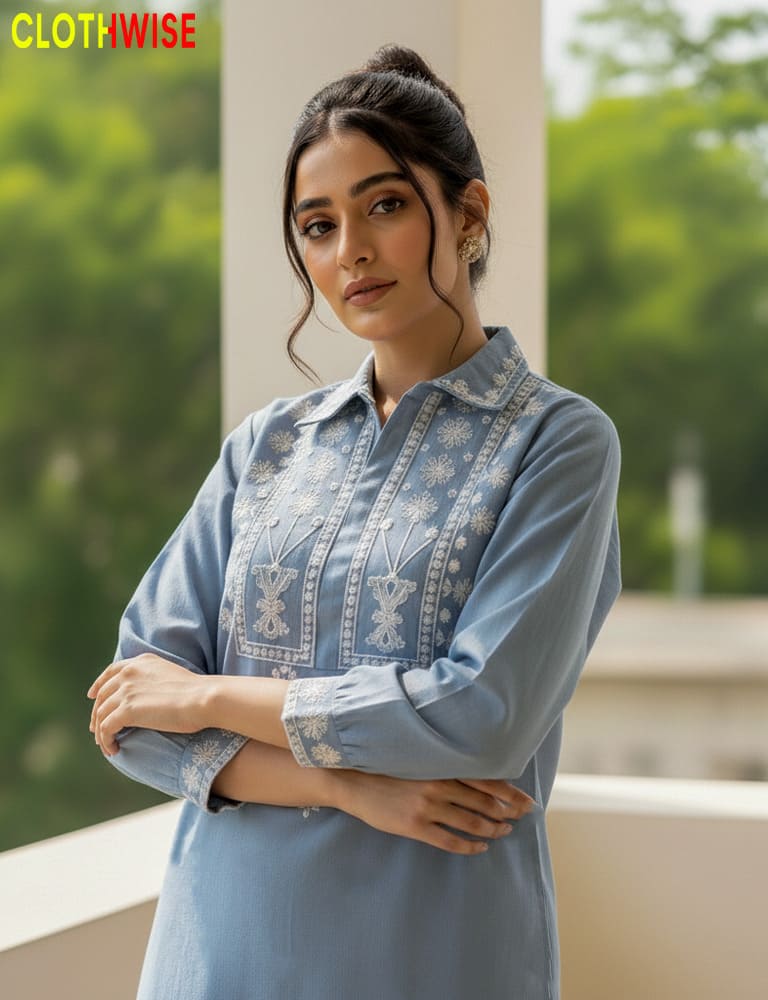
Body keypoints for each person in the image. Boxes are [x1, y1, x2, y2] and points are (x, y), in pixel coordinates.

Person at [87, 43, 621, 1000]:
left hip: (433, 950)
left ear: (468, 214)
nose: (351, 253)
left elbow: (479, 717)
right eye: (318, 225)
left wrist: (212, 698)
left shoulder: (558, 443)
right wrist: (347, 784)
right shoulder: (267, 447)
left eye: (384, 205)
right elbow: (133, 713)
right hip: (218, 951)